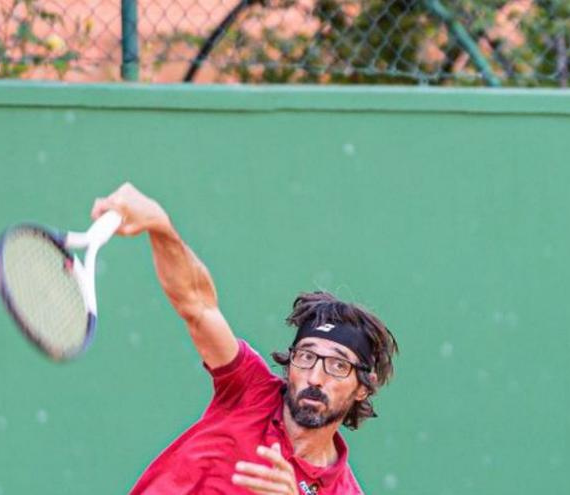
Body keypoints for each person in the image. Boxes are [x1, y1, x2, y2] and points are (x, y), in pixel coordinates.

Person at [91, 183, 399, 495]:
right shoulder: (248, 390)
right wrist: (160, 227)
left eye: (336, 365)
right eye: (306, 356)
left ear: (363, 386)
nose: (315, 377)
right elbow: (197, 305)